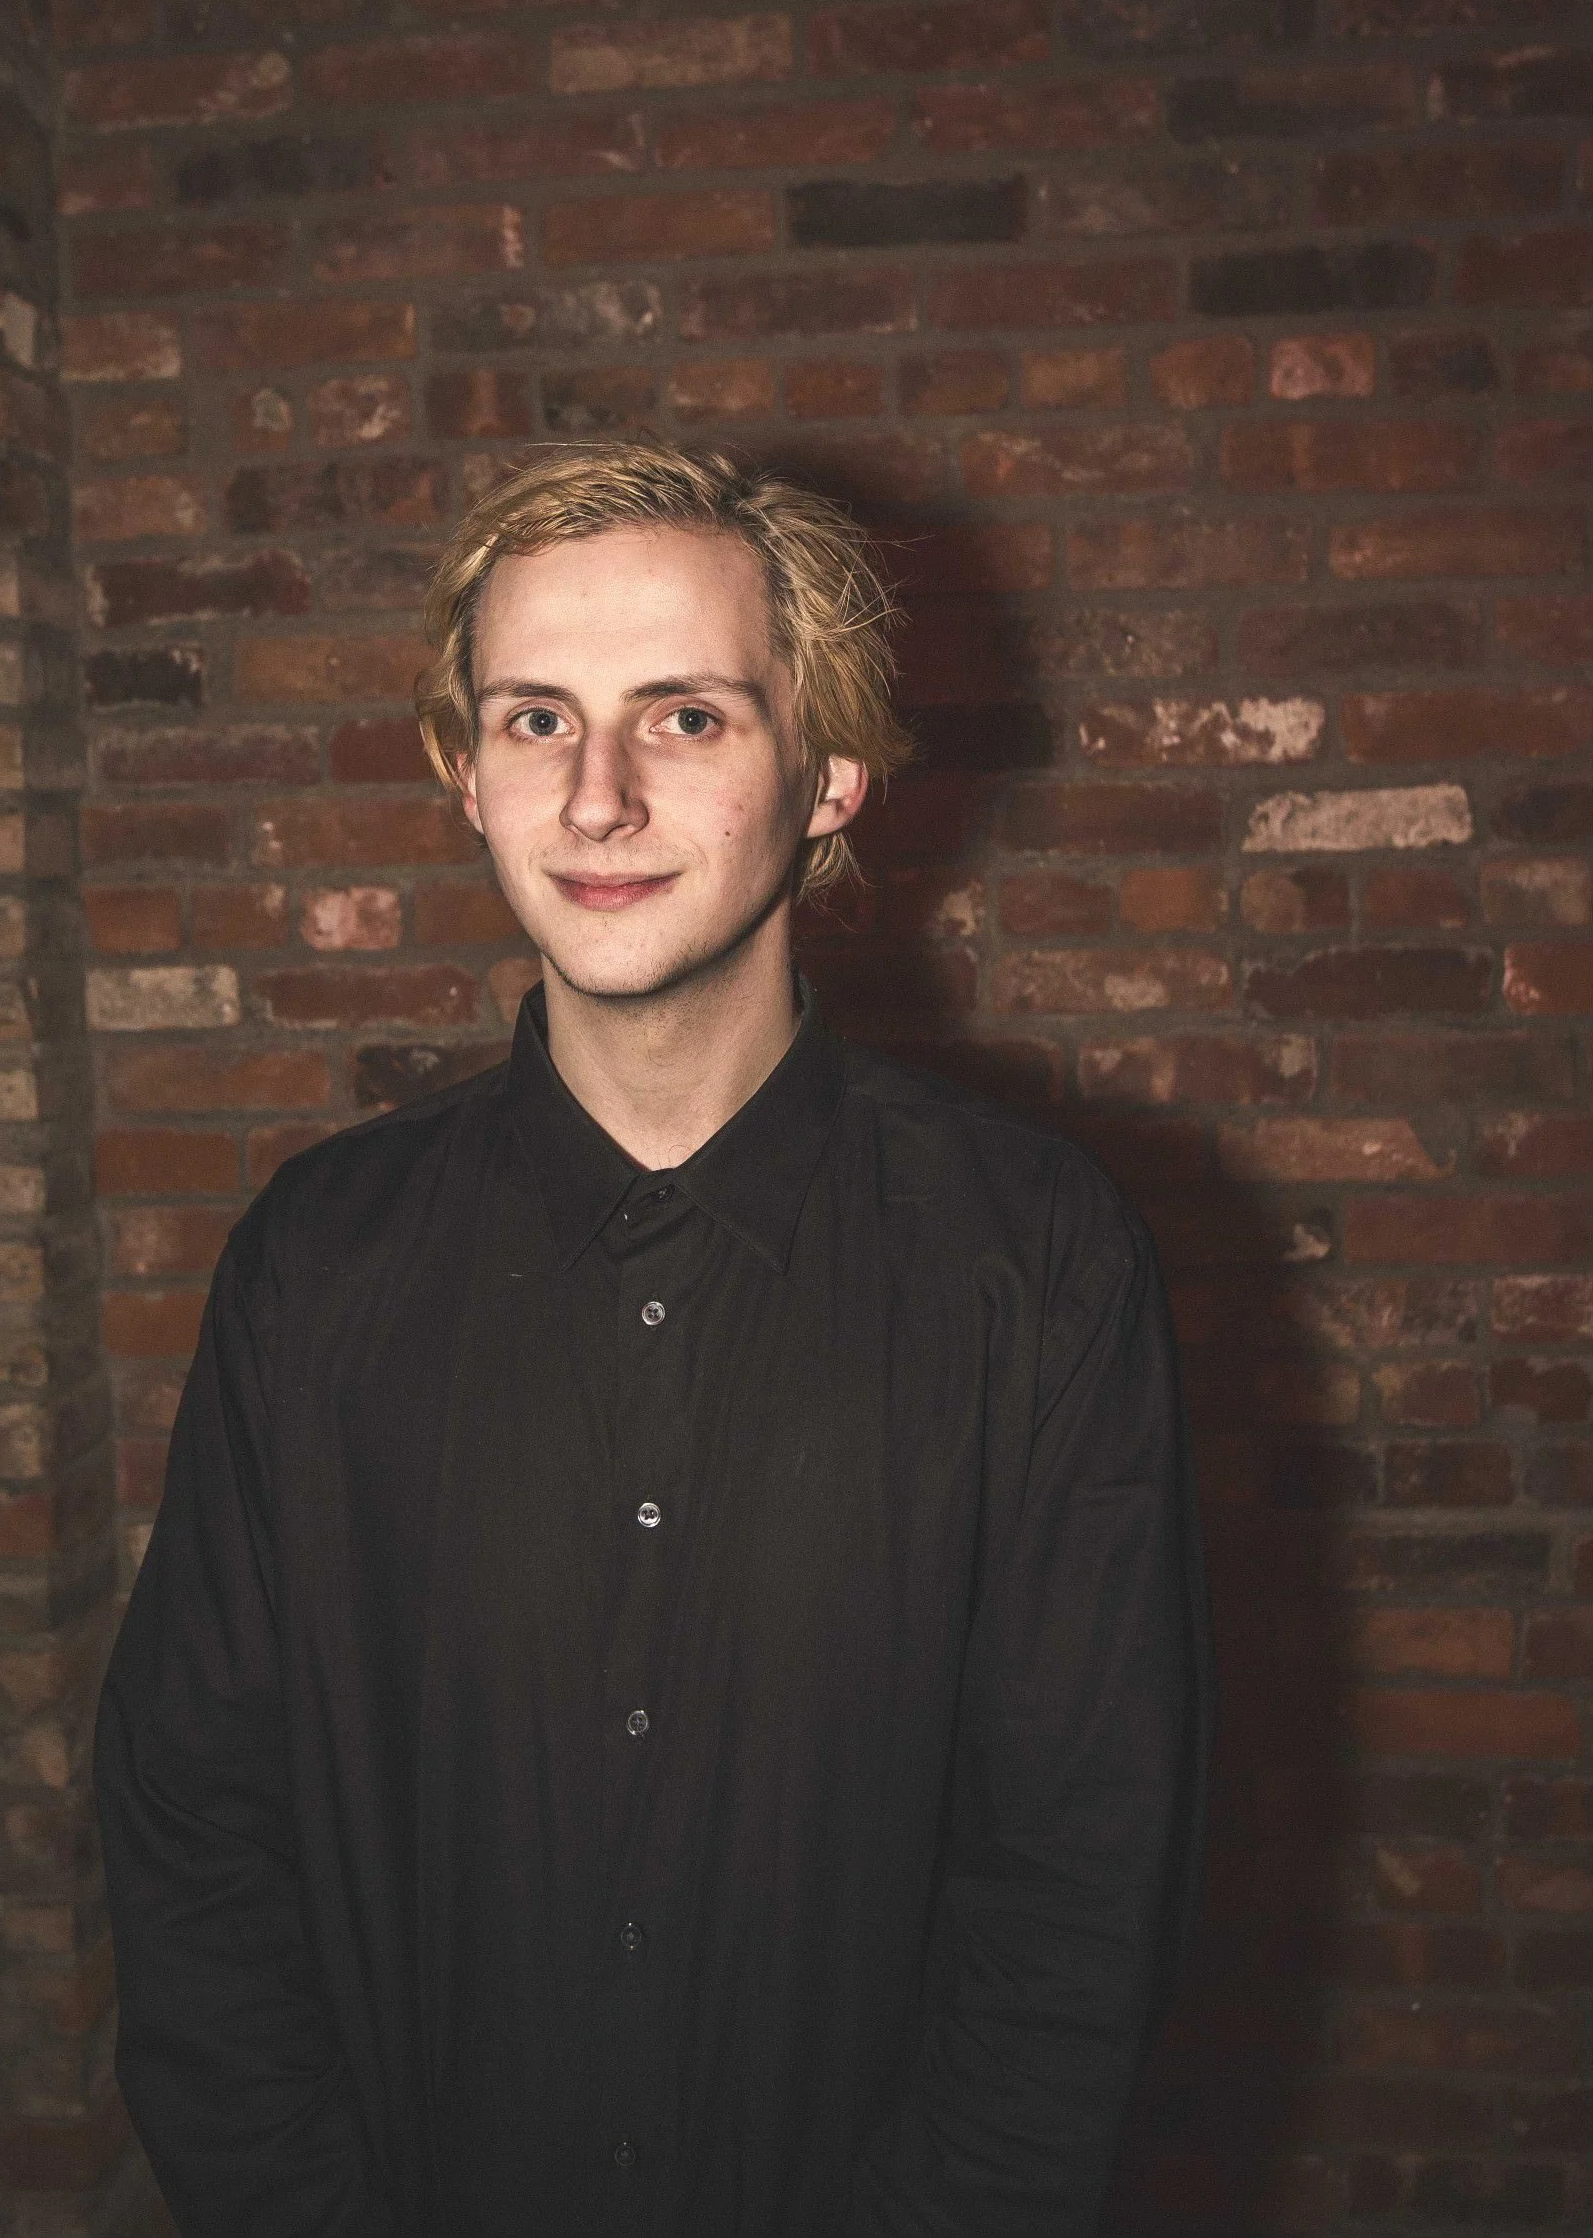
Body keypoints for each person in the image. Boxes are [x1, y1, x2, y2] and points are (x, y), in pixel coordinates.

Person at [94, 439, 1211, 2238]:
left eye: (684, 718)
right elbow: (194, 1838)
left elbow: (1075, 1897)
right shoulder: (317, 1265)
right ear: (466, 776)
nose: (597, 797)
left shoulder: (1037, 1265)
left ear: (829, 772)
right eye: (536, 720)